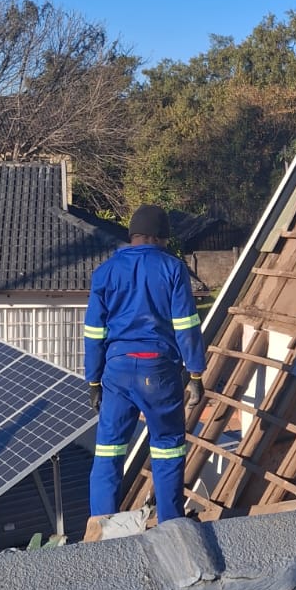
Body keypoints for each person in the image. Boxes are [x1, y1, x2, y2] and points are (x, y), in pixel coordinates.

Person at [84, 203, 206, 524]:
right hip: (159, 372)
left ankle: (101, 529)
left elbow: (94, 332)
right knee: (167, 448)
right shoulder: (173, 269)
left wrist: (93, 381)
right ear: (161, 237)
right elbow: (186, 325)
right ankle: (171, 525)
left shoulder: (105, 272)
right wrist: (195, 373)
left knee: (109, 451)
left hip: (116, 373)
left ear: (133, 235)